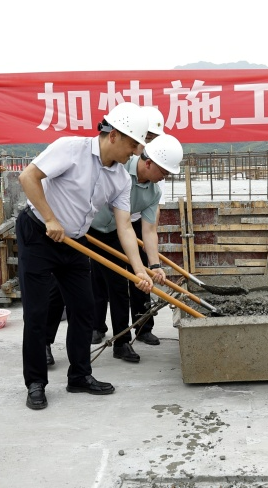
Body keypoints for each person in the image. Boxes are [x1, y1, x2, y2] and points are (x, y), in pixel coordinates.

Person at [18, 101, 153, 410]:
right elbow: (28, 177)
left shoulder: (121, 179)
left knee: (85, 310)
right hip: (38, 233)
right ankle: (35, 382)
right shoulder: (71, 148)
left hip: (75, 241)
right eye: (133, 144)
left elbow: (125, 227)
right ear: (114, 136)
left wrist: (139, 270)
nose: (135, 152)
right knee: (37, 312)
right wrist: (50, 219)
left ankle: (79, 375)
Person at [87, 133, 182, 363]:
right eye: (163, 172)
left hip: (115, 231)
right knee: (70, 287)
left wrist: (154, 266)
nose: (163, 178)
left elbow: (148, 231)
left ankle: (121, 343)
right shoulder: (120, 167)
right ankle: (46, 343)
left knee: (120, 286)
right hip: (84, 226)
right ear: (148, 163)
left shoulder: (153, 192)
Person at [92, 106, 170, 347]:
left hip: (129, 224)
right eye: (146, 138)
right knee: (96, 280)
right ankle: (96, 326)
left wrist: (154, 265)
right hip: (94, 225)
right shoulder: (121, 164)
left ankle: (140, 328)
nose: (145, 145)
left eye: (152, 138)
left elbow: (150, 226)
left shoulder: (158, 172)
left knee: (136, 277)